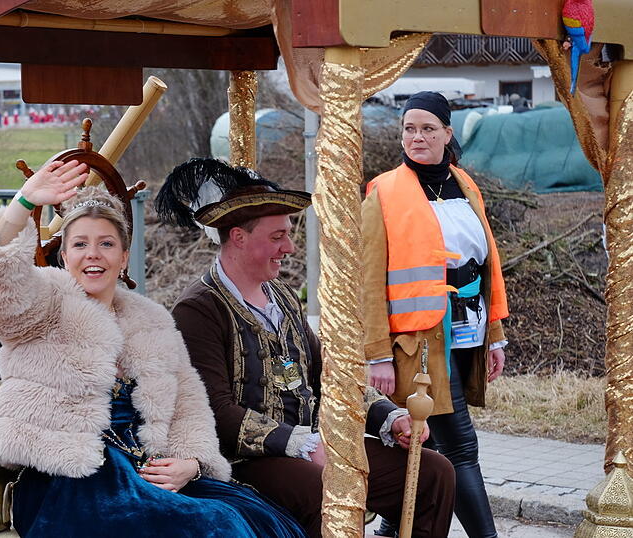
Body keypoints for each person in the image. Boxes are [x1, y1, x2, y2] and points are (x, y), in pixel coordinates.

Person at [0, 160, 307, 537]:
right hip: (69, 475)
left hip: (145, 470)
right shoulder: (41, 306)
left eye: (106, 244)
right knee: (215, 526)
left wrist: (191, 462)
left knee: (262, 519)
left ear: (123, 257)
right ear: (64, 256)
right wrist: (22, 203)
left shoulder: (152, 320)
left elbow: (188, 404)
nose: (93, 254)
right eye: (80, 244)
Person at [157, 158, 456, 537]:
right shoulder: (198, 309)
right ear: (238, 237)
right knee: (326, 489)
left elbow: (327, 377)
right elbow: (215, 411)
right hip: (244, 462)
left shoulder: (282, 296)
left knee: (433, 471)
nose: (291, 247)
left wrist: (388, 417)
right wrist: (299, 444)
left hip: (312, 447)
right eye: (278, 236)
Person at [363, 91, 509, 538]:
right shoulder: (384, 191)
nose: (417, 137)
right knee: (459, 445)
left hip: (466, 331)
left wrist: (495, 335)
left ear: (448, 133)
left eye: (428, 128)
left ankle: (389, 529)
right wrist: (377, 354)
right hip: (418, 343)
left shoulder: (465, 184)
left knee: (421, 445)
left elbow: (486, 265)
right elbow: (368, 280)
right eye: (409, 128)